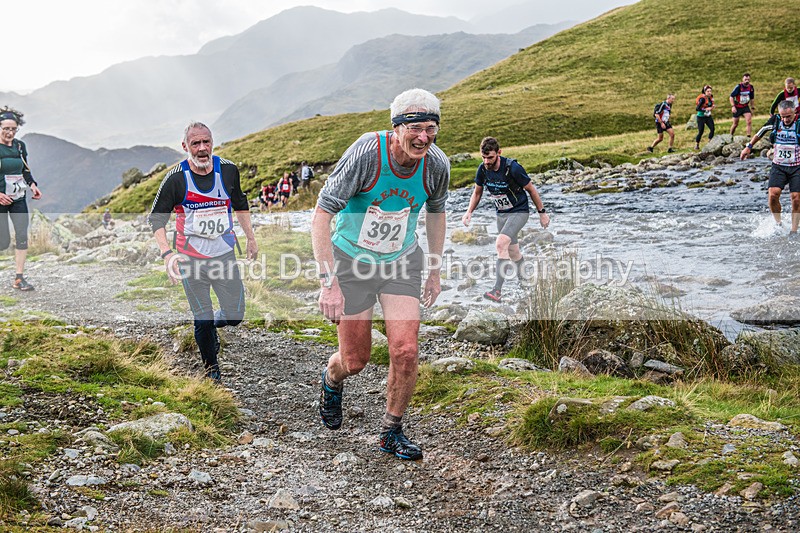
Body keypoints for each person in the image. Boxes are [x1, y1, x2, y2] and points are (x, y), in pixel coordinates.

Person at [311, 88, 449, 461]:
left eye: (431, 129)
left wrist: (434, 270)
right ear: (396, 127)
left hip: (400, 261)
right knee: (354, 360)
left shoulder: (436, 164)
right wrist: (329, 284)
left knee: (405, 349)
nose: (424, 137)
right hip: (351, 261)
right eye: (416, 128)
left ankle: (391, 431)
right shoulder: (366, 154)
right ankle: (331, 379)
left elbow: (436, 214)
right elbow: (322, 216)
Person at [148, 122, 258, 383]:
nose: (201, 148)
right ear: (185, 146)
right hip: (190, 260)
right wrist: (167, 254)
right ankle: (212, 370)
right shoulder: (176, 179)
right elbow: (156, 220)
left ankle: (218, 323)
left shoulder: (229, 171)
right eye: (195, 143)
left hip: (224, 257)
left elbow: (240, 204)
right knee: (202, 318)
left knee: (235, 315)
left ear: (212, 143)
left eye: (206, 142)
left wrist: (251, 238)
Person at [461, 137, 550, 302]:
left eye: (490, 158)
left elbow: (531, 189)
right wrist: (469, 212)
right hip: (501, 214)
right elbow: (478, 192)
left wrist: (542, 213)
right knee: (513, 252)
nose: (487, 161)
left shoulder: (512, 168)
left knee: (500, 244)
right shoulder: (482, 169)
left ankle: (497, 291)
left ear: (499, 153)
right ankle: (526, 284)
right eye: (484, 157)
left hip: (519, 212)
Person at [740, 100, 800, 237]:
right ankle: (778, 224)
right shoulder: (776, 121)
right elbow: (760, 132)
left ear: (794, 112)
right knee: (773, 195)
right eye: (783, 116)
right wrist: (748, 147)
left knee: (796, 198)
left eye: (788, 117)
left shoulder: (799, 123)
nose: (785, 119)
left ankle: (794, 230)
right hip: (779, 165)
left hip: (797, 166)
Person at [0, 107, 43, 291]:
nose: (10, 132)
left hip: (18, 198)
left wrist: (33, 185)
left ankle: (19, 278)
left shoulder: (19, 146)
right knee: (2, 242)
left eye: (13, 129)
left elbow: (25, 170)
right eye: (6, 128)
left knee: (22, 235)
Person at [695, 85, 716, 150]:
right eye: (708, 91)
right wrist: (706, 109)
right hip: (701, 116)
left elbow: (710, 105)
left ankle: (709, 142)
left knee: (712, 128)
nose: (709, 93)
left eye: (710, 91)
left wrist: (712, 107)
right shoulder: (702, 99)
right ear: (704, 92)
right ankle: (697, 144)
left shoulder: (711, 97)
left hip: (708, 116)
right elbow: (697, 108)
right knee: (701, 131)